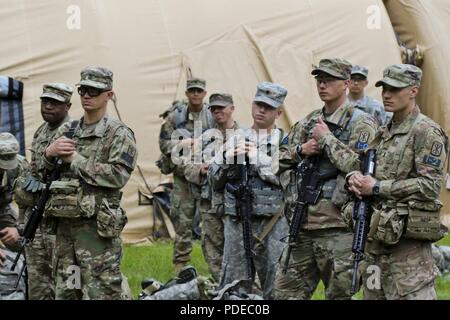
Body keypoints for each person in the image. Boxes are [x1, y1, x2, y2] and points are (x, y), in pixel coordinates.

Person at [273, 58, 378, 300]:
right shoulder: (309, 122)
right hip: (301, 228)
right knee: (284, 294)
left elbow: (364, 169)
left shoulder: (362, 123)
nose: (322, 85)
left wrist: (327, 140)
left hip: (338, 230)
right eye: (319, 80)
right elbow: (274, 161)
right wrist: (301, 150)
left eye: (329, 80)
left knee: (339, 296)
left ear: (346, 84)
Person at [345, 64, 448, 300]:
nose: (387, 95)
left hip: (407, 252)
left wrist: (378, 187)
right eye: (384, 89)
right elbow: (361, 166)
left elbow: (430, 186)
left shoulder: (426, 131)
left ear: (413, 91)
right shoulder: (383, 132)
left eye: (395, 89)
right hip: (375, 243)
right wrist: (354, 179)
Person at [43, 66, 137, 299]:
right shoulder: (68, 130)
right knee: (69, 290)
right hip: (66, 232)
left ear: (109, 95)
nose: (86, 95)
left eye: (93, 91)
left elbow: (118, 175)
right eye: (83, 90)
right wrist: (48, 153)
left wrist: (75, 160)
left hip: (96, 235)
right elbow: (40, 173)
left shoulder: (118, 133)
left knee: (102, 291)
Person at [209, 82, 289, 299]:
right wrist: (227, 160)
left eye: (269, 107)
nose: (262, 110)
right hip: (237, 223)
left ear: (278, 112)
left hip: (272, 226)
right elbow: (213, 180)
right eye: (259, 104)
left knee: (276, 286)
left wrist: (258, 158)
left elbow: (290, 180)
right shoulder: (235, 137)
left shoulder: (286, 142)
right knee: (233, 288)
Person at [14, 83, 73, 300]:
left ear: (67, 106)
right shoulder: (41, 130)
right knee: (37, 278)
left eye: (55, 103)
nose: (47, 107)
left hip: (58, 218)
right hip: (37, 216)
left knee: (64, 278)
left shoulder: (71, 131)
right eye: (44, 102)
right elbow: (34, 173)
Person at [158, 78, 215, 272]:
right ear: (187, 93)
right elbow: (164, 145)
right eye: (192, 91)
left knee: (211, 221)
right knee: (182, 222)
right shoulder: (176, 117)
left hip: (207, 177)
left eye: (199, 91)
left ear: (205, 93)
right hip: (183, 177)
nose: (196, 94)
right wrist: (181, 144)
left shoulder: (213, 115)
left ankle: (215, 263)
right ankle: (180, 264)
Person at [184, 93, 240, 281]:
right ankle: (222, 289)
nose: (217, 112)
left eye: (221, 107)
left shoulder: (244, 137)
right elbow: (188, 169)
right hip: (210, 205)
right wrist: (201, 170)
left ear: (231, 108)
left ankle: (244, 293)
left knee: (239, 250)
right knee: (212, 251)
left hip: (236, 206)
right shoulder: (205, 138)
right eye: (214, 108)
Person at [0, 132, 26, 300]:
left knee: (24, 243)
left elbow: (30, 203)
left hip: (3, 210)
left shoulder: (21, 166)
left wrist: (18, 229)